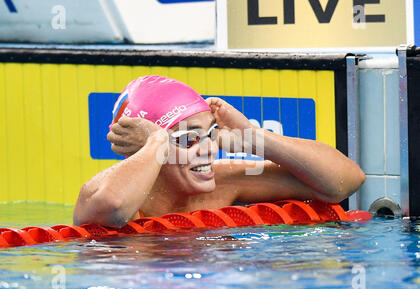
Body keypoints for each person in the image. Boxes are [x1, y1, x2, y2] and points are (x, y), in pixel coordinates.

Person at [73, 75, 365, 228]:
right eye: (188, 139)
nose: (209, 149)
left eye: (210, 134)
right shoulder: (101, 192)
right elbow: (112, 210)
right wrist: (157, 141)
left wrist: (254, 138)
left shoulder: (225, 185)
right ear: (148, 150)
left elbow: (344, 183)